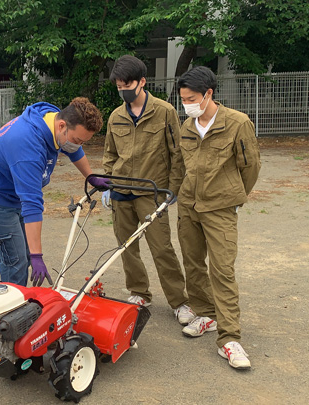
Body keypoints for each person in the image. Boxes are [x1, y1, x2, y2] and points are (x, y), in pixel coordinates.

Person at [175, 66, 261, 370]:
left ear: (209, 93)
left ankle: (229, 338)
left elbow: (250, 167)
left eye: (191, 98)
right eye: (183, 98)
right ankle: (206, 314)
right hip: (188, 206)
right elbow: (180, 167)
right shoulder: (187, 126)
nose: (186, 103)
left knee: (222, 269)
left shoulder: (237, 123)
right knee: (193, 263)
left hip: (220, 208)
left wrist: (234, 197)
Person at [0, 97, 109, 287]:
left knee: (25, 252)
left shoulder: (52, 119)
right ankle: (11, 309)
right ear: (62, 126)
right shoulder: (27, 148)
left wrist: (91, 176)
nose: (78, 145)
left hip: (16, 188)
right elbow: (31, 204)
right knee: (15, 260)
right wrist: (37, 256)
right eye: (78, 140)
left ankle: (19, 295)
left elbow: (73, 149)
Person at [101, 55, 195, 326]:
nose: (123, 89)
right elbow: (110, 153)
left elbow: (177, 153)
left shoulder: (164, 112)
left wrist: (172, 190)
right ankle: (139, 292)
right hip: (121, 191)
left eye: (127, 84)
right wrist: (107, 184)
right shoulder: (116, 116)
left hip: (151, 192)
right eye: (119, 85)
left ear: (142, 82)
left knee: (161, 248)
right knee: (127, 247)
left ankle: (179, 301)